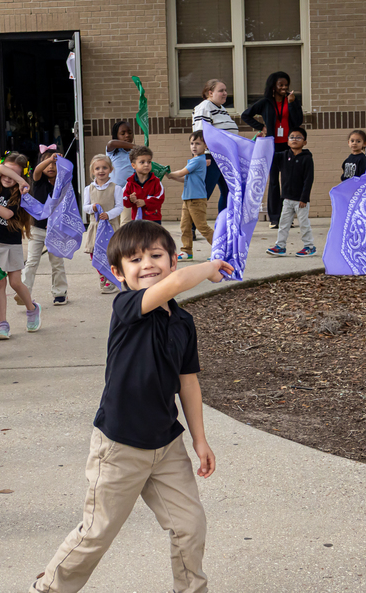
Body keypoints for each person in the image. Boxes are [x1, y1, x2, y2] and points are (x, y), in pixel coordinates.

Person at [27, 220, 232, 593]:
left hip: (166, 445)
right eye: (135, 260)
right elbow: (175, 285)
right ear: (119, 274)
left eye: (156, 255)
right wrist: (209, 267)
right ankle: (48, 589)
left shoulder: (183, 322)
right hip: (119, 446)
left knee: (189, 526)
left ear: (172, 259)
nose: (148, 264)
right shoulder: (127, 307)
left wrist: (200, 440)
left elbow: (188, 383)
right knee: (96, 533)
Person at [0, 152, 42, 339]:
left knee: (15, 283)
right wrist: (19, 178)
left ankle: (32, 309)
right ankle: (2, 324)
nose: (8, 177)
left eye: (15, 174)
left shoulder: (20, 193)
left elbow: (7, 215)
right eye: (8, 172)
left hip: (11, 244)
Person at [242, 71, 303, 228]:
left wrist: (292, 103)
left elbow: (298, 121)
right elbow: (245, 115)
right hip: (271, 145)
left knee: (288, 181)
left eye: (286, 85)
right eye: (280, 85)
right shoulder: (265, 103)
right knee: (274, 181)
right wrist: (261, 127)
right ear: (273, 87)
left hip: (288, 145)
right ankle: (274, 218)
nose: (284, 88)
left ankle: (287, 218)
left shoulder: (291, 100)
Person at [21, 149, 70, 307]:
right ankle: (23, 293)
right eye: (47, 162)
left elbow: (66, 206)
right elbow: (36, 170)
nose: (51, 166)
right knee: (32, 262)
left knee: (57, 263)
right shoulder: (38, 180)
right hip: (37, 229)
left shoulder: (62, 184)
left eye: (55, 164)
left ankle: (60, 293)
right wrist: (51, 159)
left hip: (55, 230)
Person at [265, 128, 316, 257]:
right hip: (287, 199)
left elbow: (308, 179)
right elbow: (268, 153)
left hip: (301, 200)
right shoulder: (283, 156)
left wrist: (304, 198)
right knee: (283, 224)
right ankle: (280, 246)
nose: (294, 139)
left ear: (304, 142)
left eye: (298, 137)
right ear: (287, 141)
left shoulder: (307, 159)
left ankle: (309, 246)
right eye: (292, 137)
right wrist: (261, 139)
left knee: (304, 224)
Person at [166, 131, 213, 261]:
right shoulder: (196, 160)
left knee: (202, 226)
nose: (194, 146)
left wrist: (169, 173)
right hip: (188, 199)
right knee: (185, 226)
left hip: (196, 199)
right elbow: (185, 178)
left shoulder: (198, 160)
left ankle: (220, 250)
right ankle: (187, 251)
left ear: (205, 146)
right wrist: (172, 177)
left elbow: (181, 173)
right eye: (192, 143)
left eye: (198, 143)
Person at [192, 79, 235, 213]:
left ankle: (224, 225)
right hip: (210, 157)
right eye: (221, 91)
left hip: (224, 157)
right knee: (204, 193)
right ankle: (190, 227)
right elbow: (199, 133)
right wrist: (201, 157)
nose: (225, 93)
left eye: (225, 90)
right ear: (210, 93)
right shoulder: (205, 107)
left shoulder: (221, 109)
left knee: (228, 192)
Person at [82, 154, 123, 294]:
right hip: (96, 226)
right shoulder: (89, 189)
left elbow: (119, 207)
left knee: (111, 252)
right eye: (97, 168)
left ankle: (112, 278)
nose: (101, 171)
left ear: (110, 169)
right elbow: (85, 207)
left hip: (110, 225)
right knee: (95, 252)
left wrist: (109, 214)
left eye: (104, 168)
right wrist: (92, 207)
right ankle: (102, 275)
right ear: (92, 171)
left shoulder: (115, 188)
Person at [105, 121, 137, 226]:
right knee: (113, 223)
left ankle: (124, 242)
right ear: (116, 136)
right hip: (113, 193)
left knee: (126, 223)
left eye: (129, 132)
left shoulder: (135, 154)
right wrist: (135, 146)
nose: (127, 135)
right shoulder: (113, 151)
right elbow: (111, 143)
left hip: (128, 193)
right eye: (122, 134)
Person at [122, 146, 165, 223]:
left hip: (154, 221)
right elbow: (123, 199)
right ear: (133, 165)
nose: (146, 164)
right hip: (137, 220)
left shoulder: (156, 181)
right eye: (142, 162)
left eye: (149, 162)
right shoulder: (130, 183)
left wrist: (145, 202)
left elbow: (160, 198)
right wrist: (130, 199)